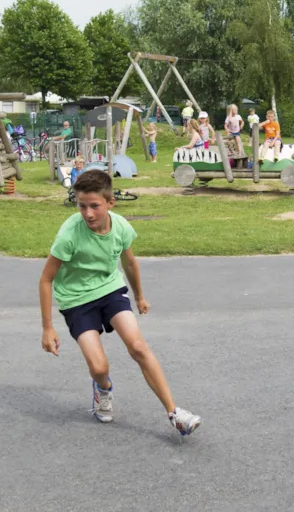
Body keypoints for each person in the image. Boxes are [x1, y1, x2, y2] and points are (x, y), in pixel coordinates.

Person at [38, 170, 202, 436]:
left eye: (95, 206)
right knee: (99, 367)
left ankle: (175, 413)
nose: (88, 213)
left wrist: (139, 295)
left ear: (110, 203)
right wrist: (47, 327)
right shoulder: (70, 234)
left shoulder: (121, 227)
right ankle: (103, 388)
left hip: (110, 289)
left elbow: (129, 262)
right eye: (82, 206)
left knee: (138, 346)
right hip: (76, 299)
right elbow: (46, 279)